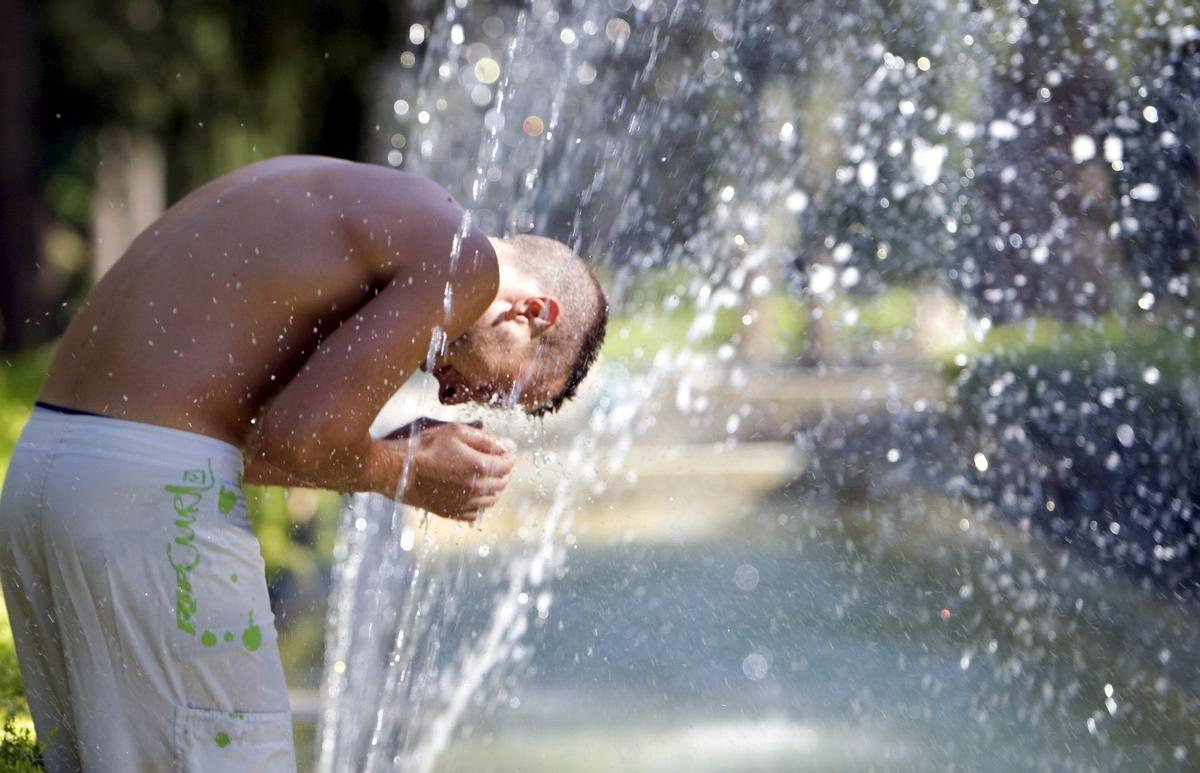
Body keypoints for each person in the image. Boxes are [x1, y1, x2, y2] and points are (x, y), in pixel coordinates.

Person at [0, 155, 608, 771]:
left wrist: (392, 451)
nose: (456, 398)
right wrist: (412, 472)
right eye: (501, 389)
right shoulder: (466, 260)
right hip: (156, 503)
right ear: (533, 313)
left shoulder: (387, 213)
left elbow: (261, 450)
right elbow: (301, 441)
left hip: (55, 472)